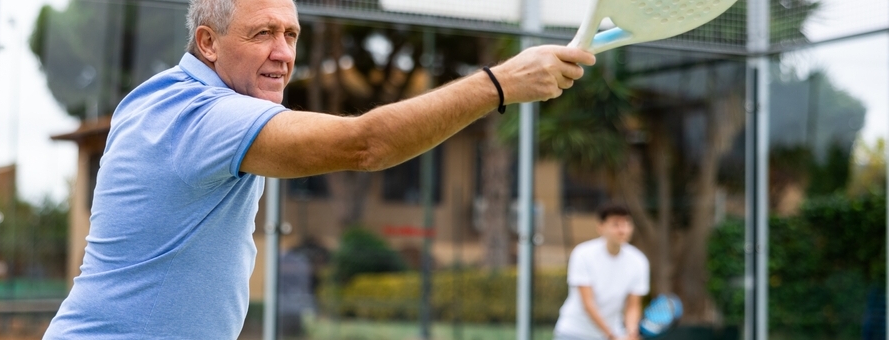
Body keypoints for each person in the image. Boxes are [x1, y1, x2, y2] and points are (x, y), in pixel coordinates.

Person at [42, 0, 595, 338]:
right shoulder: (202, 116)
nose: (283, 52)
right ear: (207, 43)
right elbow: (365, 145)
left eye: (291, 35)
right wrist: (498, 84)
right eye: (263, 33)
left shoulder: (157, 98)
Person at [553, 204, 649, 340]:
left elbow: (633, 305)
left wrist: (631, 332)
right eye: (616, 224)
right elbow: (588, 304)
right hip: (573, 333)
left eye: (626, 223)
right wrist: (612, 336)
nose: (623, 230)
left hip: (611, 333)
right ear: (601, 227)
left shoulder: (639, 261)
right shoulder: (582, 254)